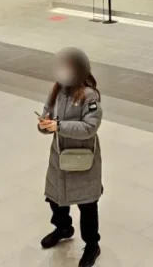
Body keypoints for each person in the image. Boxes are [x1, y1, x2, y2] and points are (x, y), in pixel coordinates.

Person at [38, 47, 103, 267]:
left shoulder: (89, 95)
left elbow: (90, 127)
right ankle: (63, 228)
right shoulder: (56, 90)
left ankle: (92, 245)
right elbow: (47, 112)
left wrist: (59, 126)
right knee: (56, 197)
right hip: (59, 156)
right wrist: (44, 125)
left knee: (87, 204)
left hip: (82, 157)